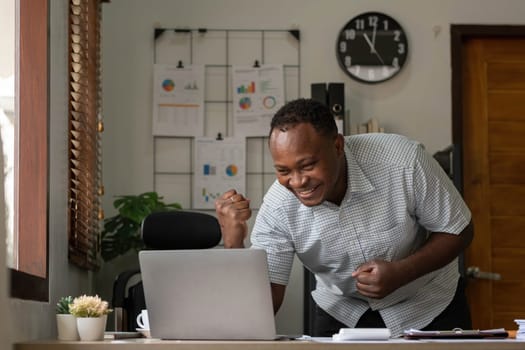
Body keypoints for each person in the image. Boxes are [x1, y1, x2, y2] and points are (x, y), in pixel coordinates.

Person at [215, 98, 473, 337]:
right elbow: (261, 307)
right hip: (342, 315)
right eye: (283, 170)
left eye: (307, 165)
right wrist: (233, 244)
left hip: (431, 307)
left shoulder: (403, 161)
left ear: (337, 145)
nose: (298, 181)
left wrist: (402, 272)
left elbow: (459, 229)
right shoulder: (278, 207)